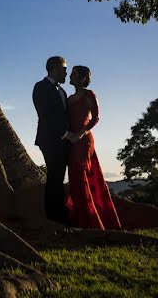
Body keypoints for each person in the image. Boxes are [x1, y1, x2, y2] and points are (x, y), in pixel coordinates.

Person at [64, 65, 121, 230]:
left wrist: (80, 134)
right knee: (74, 177)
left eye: (74, 74)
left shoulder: (89, 95)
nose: (71, 76)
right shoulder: (69, 98)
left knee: (81, 176)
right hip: (71, 141)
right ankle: (79, 217)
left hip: (83, 141)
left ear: (83, 78)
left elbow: (95, 118)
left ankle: (91, 221)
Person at [32, 56, 71, 223]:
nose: (66, 72)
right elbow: (45, 115)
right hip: (49, 139)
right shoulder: (40, 87)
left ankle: (60, 212)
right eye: (63, 68)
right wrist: (64, 134)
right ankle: (53, 216)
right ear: (53, 68)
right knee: (54, 175)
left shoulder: (62, 91)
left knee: (59, 176)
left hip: (64, 140)